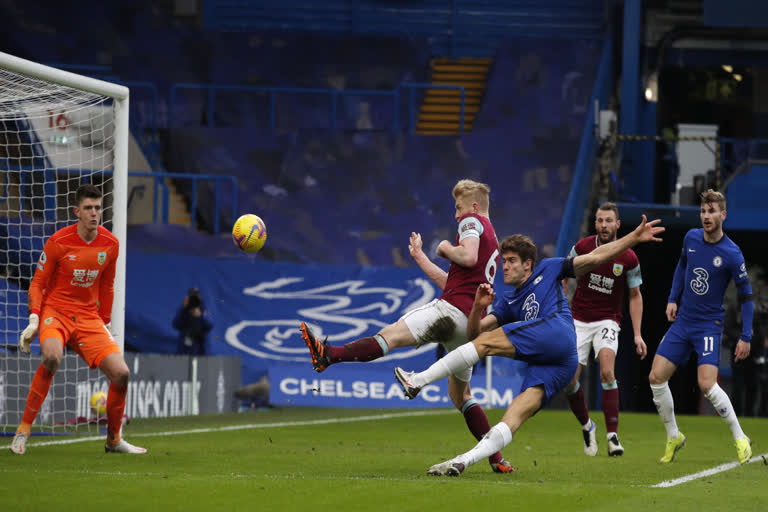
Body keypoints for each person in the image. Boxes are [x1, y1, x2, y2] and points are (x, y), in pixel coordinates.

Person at [394, 216, 663, 476]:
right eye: (505, 261)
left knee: (490, 344)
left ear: (528, 264)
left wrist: (633, 238)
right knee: (512, 417)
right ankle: (464, 460)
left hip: (557, 333)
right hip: (557, 363)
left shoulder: (550, 267)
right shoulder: (507, 303)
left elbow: (595, 258)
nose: (506, 267)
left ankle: (418, 379)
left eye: (512, 261)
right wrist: (477, 306)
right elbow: (474, 334)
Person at [301, 179, 514, 473]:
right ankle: (496, 458)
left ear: (474, 206)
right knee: (461, 396)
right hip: (468, 324)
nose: (456, 214)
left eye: (458, 207)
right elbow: (453, 284)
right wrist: (421, 258)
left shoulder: (471, 221)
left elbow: (467, 256)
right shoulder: (492, 236)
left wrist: (443, 247)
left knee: (389, 336)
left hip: (450, 313)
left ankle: (328, 355)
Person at [11, 184, 146, 455]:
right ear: (77, 212)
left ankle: (113, 440)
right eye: (88, 208)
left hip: (88, 317)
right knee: (52, 357)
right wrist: (35, 319)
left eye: (98, 208)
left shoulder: (110, 244)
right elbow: (38, 283)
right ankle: (23, 431)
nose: (94, 213)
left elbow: (107, 286)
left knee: (121, 373)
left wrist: (105, 321)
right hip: (56, 312)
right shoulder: (59, 241)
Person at [649, 189, 753, 464]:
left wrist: (746, 335)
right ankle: (674, 435)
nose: (706, 216)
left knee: (706, 383)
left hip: (709, 325)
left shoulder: (731, 253)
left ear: (723, 214)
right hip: (683, 321)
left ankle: (740, 438)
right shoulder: (691, 237)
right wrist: (673, 298)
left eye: (712, 212)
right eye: (703, 212)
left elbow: (747, 298)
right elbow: (682, 266)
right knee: (656, 377)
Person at [562, 202, 647, 457]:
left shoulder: (629, 257)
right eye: (600, 220)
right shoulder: (582, 248)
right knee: (569, 381)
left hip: (608, 320)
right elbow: (563, 274)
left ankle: (612, 436)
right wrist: (562, 307)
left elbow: (635, 295)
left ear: (618, 224)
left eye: (609, 220)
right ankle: (588, 426)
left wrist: (637, 334)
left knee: (608, 372)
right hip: (578, 319)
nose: (603, 225)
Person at [173, 287, 212, 356]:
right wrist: (184, 310)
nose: (194, 299)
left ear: (200, 297)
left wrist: (200, 316)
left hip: (200, 347)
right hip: (185, 347)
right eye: (192, 296)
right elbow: (176, 324)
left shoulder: (204, 309)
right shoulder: (183, 309)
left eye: (196, 295)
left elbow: (209, 325)